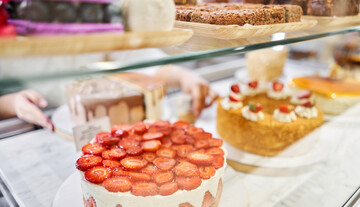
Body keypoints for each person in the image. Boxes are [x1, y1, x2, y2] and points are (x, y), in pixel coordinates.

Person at [0, 64, 217, 130]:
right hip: (35, 129)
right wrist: (10, 103)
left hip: (120, 126)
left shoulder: (98, 10)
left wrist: (182, 75)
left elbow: (142, 64)